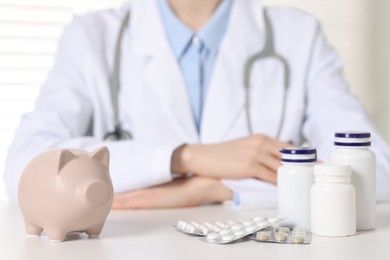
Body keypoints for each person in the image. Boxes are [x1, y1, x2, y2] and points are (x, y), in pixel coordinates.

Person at [4, 0, 390, 209]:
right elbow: (24, 171)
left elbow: (378, 172)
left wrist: (217, 190)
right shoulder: (91, 38)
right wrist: (184, 158)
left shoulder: (299, 35)